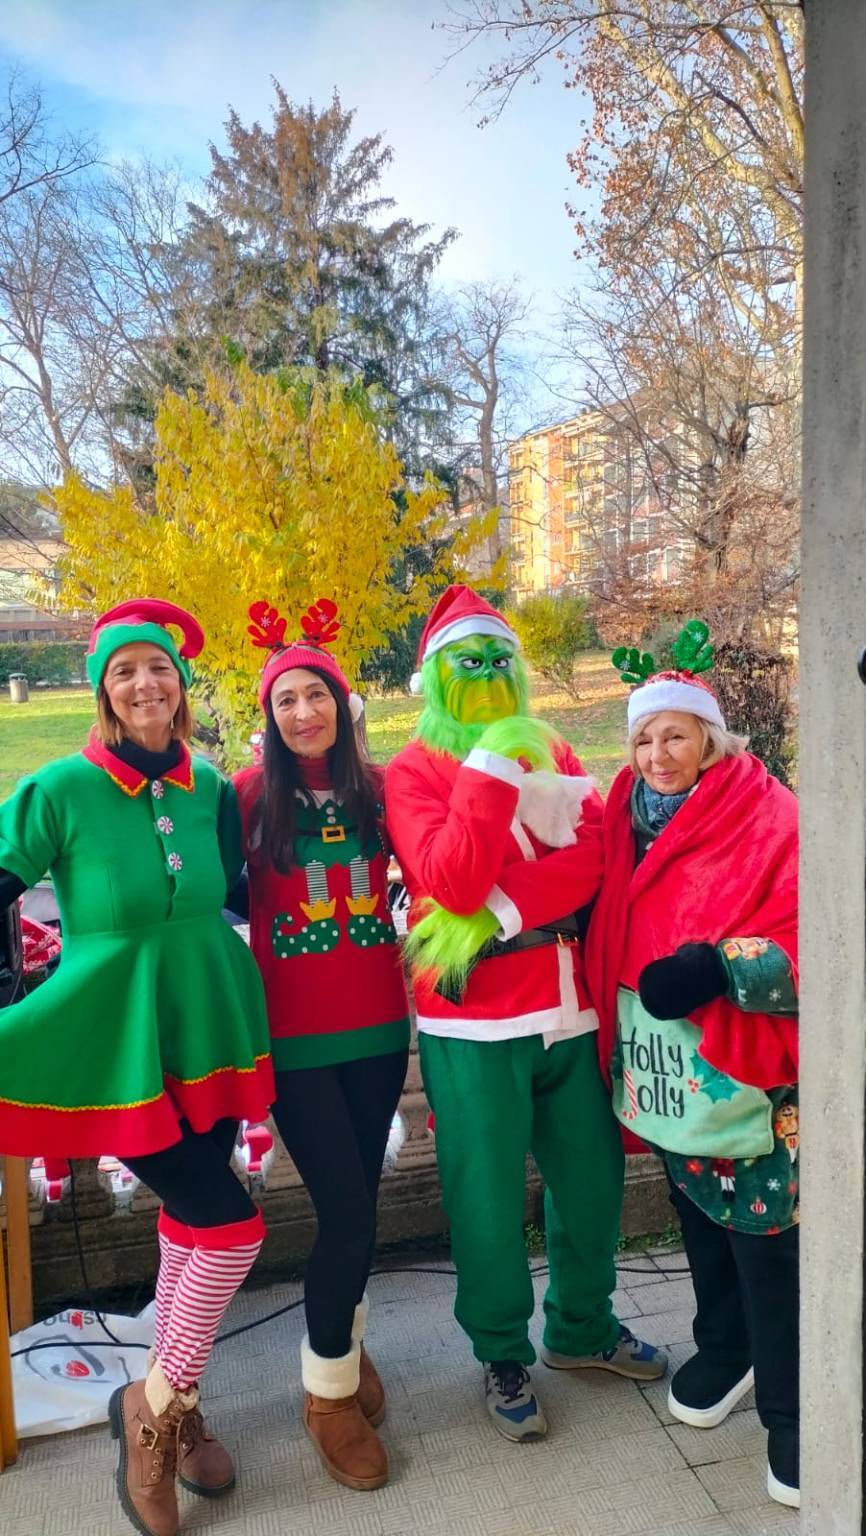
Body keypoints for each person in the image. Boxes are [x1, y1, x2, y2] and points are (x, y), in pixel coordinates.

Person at [0, 599, 275, 1536]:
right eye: (124, 673)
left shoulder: (207, 788)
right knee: (232, 1229)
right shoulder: (61, 789)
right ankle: (151, 1410)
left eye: (158, 668)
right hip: (115, 1039)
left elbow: (240, 889)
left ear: (180, 684)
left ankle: (177, 1392)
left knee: (192, 1221)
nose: (145, 684)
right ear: (104, 693)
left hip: (209, 1026)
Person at [384, 584, 665, 1443]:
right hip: (472, 1026)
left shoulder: (560, 752)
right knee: (485, 1195)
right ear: (436, 676)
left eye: (500, 658)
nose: (488, 672)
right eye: (469, 661)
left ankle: (580, 1328)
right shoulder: (413, 771)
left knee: (591, 1183)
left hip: (569, 1008)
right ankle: (502, 1351)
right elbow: (450, 879)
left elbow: (592, 864)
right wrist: (494, 763)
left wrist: (500, 917)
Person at [584, 622, 799, 1509]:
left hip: (738, 1063)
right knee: (693, 1213)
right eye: (642, 736)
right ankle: (725, 1346)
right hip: (661, 1062)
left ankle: (793, 1412)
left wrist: (721, 965)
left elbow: (810, 922)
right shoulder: (617, 817)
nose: (657, 752)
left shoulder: (769, 811)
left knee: (762, 1236)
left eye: (674, 733)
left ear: (710, 737)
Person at [234, 597, 410, 1492]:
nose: (303, 712)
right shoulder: (246, 797)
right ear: (269, 714)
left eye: (318, 695)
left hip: (380, 1030)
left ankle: (342, 1335)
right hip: (294, 1042)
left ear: (344, 704)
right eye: (286, 699)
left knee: (362, 1204)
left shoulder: (379, 792)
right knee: (343, 1211)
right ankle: (327, 1391)